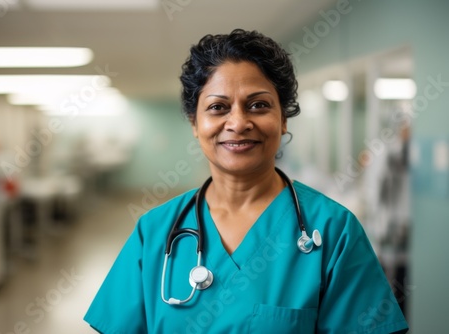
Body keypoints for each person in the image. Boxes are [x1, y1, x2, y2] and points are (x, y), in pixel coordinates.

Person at [84, 29, 409, 333]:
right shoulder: (155, 232)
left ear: (282, 119)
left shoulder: (334, 230)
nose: (238, 122)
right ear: (195, 123)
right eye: (218, 107)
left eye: (258, 105)